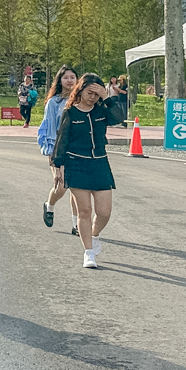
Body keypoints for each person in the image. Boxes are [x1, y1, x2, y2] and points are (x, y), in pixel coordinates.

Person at [51, 73, 130, 269]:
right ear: (80, 90)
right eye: (89, 92)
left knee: (104, 212)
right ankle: (88, 253)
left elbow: (120, 117)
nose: (93, 97)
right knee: (84, 211)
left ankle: (94, 235)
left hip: (100, 164)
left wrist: (107, 97)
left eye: (97, 93)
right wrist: (57, 167)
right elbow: (62, 140)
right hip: (76, 164)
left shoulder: (102, 111)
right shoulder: (70, 113)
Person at [35, 66, 82, 236]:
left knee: (77, 189)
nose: (69, 80)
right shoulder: (53, 103)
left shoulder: (81, 100)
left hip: (77, 150)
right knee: (61, 187)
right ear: (60, 81)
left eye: (72, 77)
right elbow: (48, 129)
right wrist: (52, 156)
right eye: (66, 77)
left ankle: (77, 225)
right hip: (57, 149)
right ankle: (49, 205)